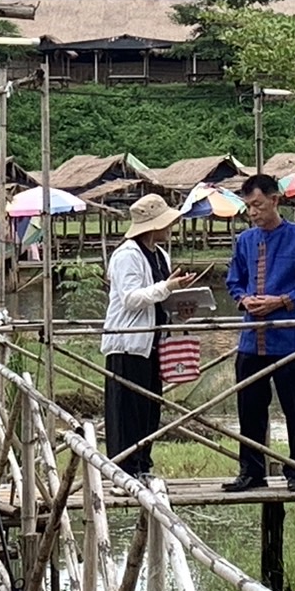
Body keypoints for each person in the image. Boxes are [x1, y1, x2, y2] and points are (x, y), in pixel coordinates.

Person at [223, 174, 295, 493]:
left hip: (288, 337)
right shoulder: (244, 241)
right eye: (248, 207)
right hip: (251, 337)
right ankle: (252, 471)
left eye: (257, 205)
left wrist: (281, 301)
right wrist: (244, 298)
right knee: (250, 408)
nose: (253, 213)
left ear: (274, 200)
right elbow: (234, 281)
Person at [101, 194, 195, 480]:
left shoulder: (160, 255)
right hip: (128, 343)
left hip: (154, 341)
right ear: (153, 225)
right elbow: (130, 298)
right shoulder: (127, 255)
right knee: (126, 408)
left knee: (150, 407)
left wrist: (181, 305)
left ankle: (143, 464)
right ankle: (123, 469)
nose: (170, 227)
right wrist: (166, 287)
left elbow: (160, 299)